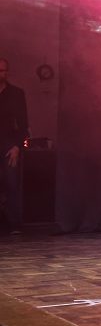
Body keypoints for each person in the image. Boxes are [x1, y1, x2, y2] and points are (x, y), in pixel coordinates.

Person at [0, 58, 29, 234]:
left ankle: (14, 224)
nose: (0, 74)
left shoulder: (16, 94)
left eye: (2, 70)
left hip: (8, 143)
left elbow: (24, 124)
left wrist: (17, 146)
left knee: (11, 183)